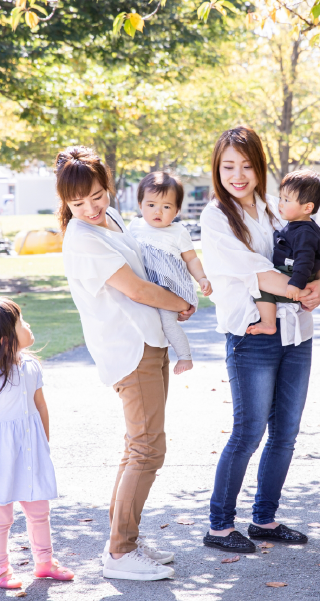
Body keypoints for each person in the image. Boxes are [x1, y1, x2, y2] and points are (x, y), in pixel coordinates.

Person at [57, 146, 194, 581]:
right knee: (148, 449)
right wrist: (181, 301)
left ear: (107, 186)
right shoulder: (81, 237)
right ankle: (119, 552)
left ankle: (126, 538)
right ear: (66, 203)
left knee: (139, 447)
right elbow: (135, 288)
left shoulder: (111, 218)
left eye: (97, 196)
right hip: (127, 352)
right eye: (78, 203)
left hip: (149, 342)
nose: (90, 208)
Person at [200, 126, 320, 553]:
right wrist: (298, 288)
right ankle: (220, 526)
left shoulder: (277, 208)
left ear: (260, 167)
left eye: (247, 166)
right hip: (252, 335)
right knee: (248, 431)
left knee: (285, 433)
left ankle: (265, 519)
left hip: (296, 333)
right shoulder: (215, 217)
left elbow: (310, 249)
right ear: (217, 169)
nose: (238, 175)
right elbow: (258, 270)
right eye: (228, 166)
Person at [0, 297, 74, 590]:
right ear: (4, 338)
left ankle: (45, 562)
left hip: (30, 453)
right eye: (21, 323)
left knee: (39, 510)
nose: (28, 326)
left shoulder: (31, 367)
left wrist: (43, 443)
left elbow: (41, 408)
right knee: (1, 517)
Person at [128, 172, 213, 375]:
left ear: (176, 210)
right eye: (151, 205)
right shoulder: (135, 226)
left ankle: (185, 357)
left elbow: (191, 259)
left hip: (169, 287)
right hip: (144, 284)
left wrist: (201, 278)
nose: (158, 211)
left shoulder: (178, 232)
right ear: (140, 205)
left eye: (166, 207)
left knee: (168, 323)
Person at [247, 169, 320, 336]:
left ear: (307, 207)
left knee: (260, 288)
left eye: (287, 200)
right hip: (296, 272)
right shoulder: (304, 225)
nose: (280, 203)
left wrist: (295, 284)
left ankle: (268, 322)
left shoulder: (303, 232)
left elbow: (305, 260)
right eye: (281, 198)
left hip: (296, 274)